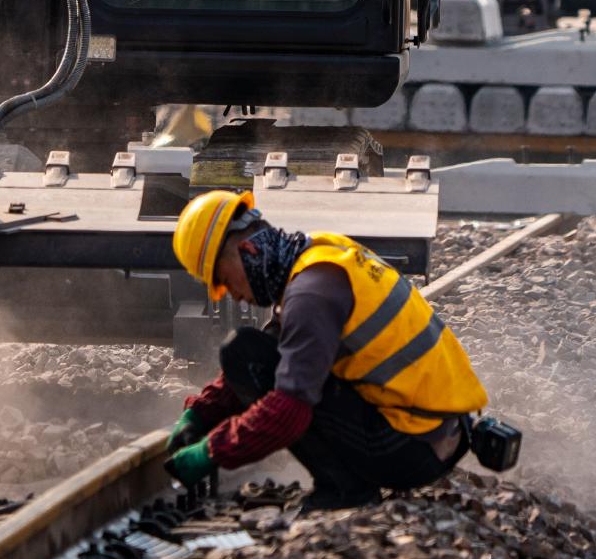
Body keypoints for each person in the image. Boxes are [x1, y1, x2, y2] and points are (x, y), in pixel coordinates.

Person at [163, 189, 488, 511]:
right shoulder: (317, 256)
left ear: (247, 250)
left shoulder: (310, 294)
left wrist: (210, 453)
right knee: (247, 352)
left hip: (411, 449)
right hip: (437, 434)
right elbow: (274, 348)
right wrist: (201, 413)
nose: (232, 294)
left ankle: (346, 491)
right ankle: (351, 484)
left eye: (224, 280)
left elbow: (288, 414)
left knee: (263, 371)